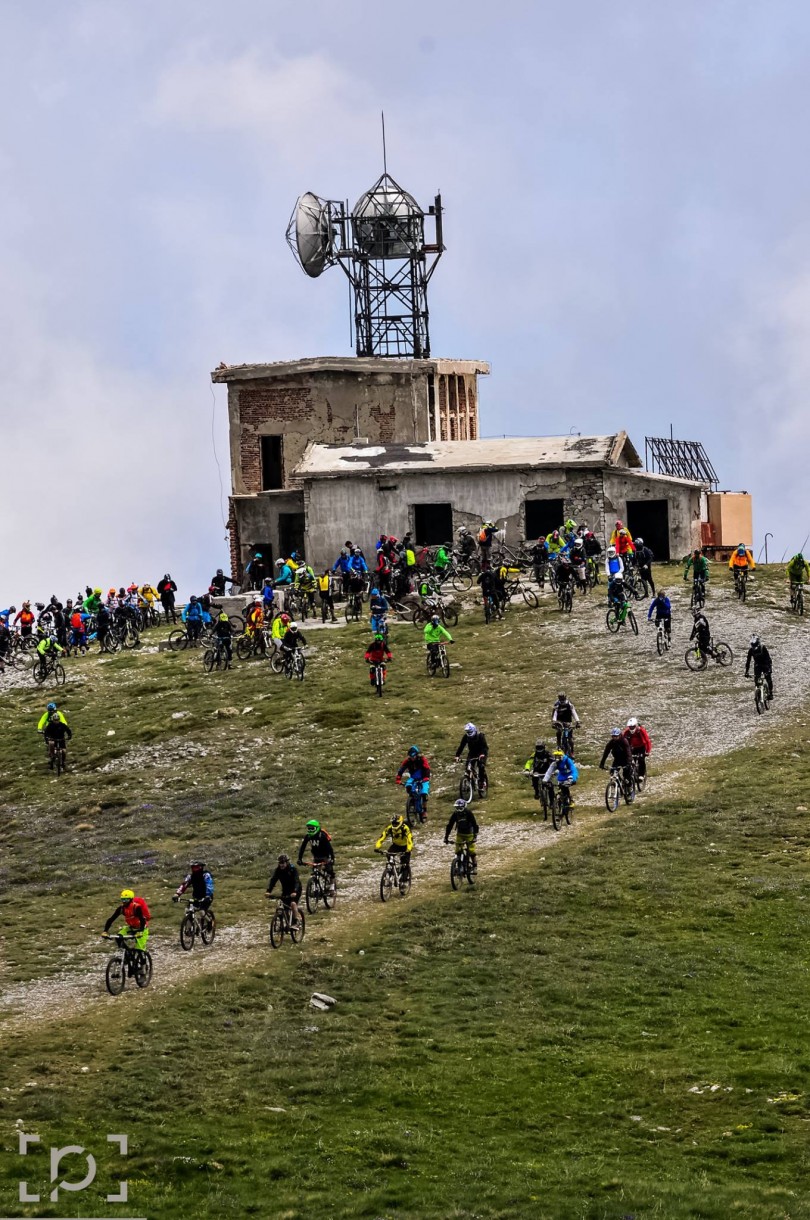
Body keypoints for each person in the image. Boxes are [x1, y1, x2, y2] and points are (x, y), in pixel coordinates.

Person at [265, 855, 302, 927]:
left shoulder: (293, 869)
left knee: (293, 904)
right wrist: (268, 891)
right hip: (286, 890)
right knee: (283, 906)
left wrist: (295, 891)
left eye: (283, 863)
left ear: (287, 862)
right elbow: (273, 880)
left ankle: (297, 921)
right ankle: (287, 923)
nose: (281, 864)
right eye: (280, 863)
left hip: (296, 889)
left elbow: (296, 881)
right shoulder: (278, 870)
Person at [375, 814, 413, 882]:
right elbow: (382, 837)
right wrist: (377, 847)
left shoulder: (405, 828)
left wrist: (408, 849)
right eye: (393, 823)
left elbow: (410, 840)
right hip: (395, 845)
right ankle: (391, 870)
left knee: (405, 863)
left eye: (396, 823)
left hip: (405, 846)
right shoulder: (389, 828)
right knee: (388, 854)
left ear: (400, 822)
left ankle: (404, 880)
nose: (395, 825)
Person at [396, 745, 431, 818]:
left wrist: (426, 778)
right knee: (408, 786)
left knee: (424, 793)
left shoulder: (422, 759)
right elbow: (401, 769)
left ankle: (424, 810)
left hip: (423, 777)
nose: (412, 758)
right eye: (410, 756)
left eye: (413, 756)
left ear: (417, 755)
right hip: (413, 778)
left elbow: (427, 768)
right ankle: (412, 801)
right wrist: (398, 778)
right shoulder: (407, 761)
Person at [444, 798, 479, 870]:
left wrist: (475, 836)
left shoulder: (468, 813)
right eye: (457, 808)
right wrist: (446, 837)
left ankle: (474, 865)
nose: (458, 809)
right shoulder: (455, 814)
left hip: (469, 834)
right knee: (458, 850)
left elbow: (474, 824)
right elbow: (450, 825)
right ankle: (459, 865)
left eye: (460, 808)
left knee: (471, 850)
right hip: (460, 834)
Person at [454, 722, 489, 794]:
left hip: (481, 753)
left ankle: (481, 783)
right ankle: (470, 782)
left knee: (481, 766)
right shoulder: (466, 737)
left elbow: (485, 747)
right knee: (468, 767)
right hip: (472, 753)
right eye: (467, 731)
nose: (468, 733)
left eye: (469, 731)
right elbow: (461, 746)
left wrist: (482, 755)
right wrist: (457, 756)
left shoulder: (480, 736)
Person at [745, 635, 774, 700]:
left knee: (768, 678)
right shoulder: (751, 650)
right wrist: (746, 671)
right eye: (752, 645)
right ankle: (758, 694)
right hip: (758, 665)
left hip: (765, 664)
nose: (754, 647)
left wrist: (769, 669)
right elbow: (748, 661)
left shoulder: (763, 648)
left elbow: (768, 659)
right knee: (756, 680)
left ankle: (771, 693)